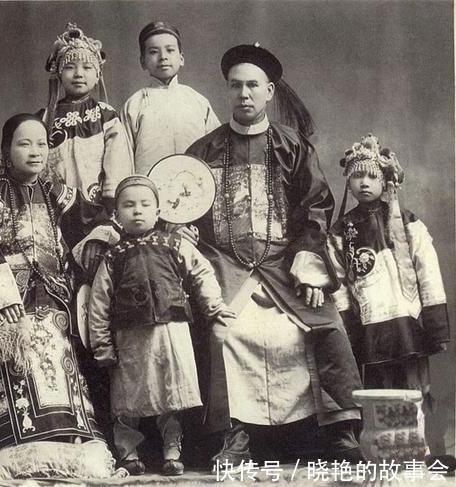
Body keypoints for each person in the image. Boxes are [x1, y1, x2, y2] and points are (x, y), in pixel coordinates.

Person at [184, 44, 364, 467]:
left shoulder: (293, 146)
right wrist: (187, 233)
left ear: (269, 91)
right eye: (235, 86)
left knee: (326, 324)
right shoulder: (203, 151)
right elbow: (186, 208)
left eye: (252, 85)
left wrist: (308, 264)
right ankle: (232, 434)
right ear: (227, 91)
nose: (244, 94)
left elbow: (316, 207)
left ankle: (339, 429)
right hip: (224, 263)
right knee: (220, 332)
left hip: (285, 262)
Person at [0, 113, 120, 480]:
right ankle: (18, 447)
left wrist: (98, 240)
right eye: (24, 143)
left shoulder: (59, 193)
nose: (35, 151)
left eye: (42, 143)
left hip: (57, 296)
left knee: (55, 333)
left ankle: (69, 441)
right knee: (20, 336)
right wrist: (1, 301)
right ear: (6, 150)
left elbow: (97, 222)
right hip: (4, 300)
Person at [87, 175, 234, 476]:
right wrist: (102, 344)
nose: (137, 211)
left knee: (171, 393)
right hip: (129, 337)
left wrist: (214, 306)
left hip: (171, 332)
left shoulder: (174, 243)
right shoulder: (113, 256)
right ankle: (128, 453)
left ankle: (172, 449)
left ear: (158, 211)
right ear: (116, 215)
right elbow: (98, 302)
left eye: (145, 204)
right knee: (127, 396)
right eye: (128, 205)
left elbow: (201, 272)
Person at [328, 134, 451, 464]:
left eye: (372, 176)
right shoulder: (341, 231)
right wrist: (347, 322)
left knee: (413, 387)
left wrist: (435, 322)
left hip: (406, 320)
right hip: (370, 322)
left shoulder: (407, 222)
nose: (364, 183)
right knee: (378, 388)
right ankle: (385, 452)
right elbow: (338, 282)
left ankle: (416, 450)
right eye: (357, 176)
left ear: (385, 181)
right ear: (348, 181)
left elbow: (427, 269)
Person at [43, 23, 133, 246]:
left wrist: (111, 200)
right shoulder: (46, 117)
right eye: (70, 67)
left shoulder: (105, 115)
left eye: (86, 67)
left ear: (97, 74)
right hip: (55, 204)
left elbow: (117, 161)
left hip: (98, 207)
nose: (78, 74)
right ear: (58, 73)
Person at [120, 21, 220, 175]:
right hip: (149, 186)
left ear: (181, 58)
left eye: (170, 50)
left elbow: (216, 149)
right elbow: (123, 157)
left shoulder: (198, 101)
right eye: (153, 52)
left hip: (193, 183)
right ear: (142, 61)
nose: (163, 57)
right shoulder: (134, 104)